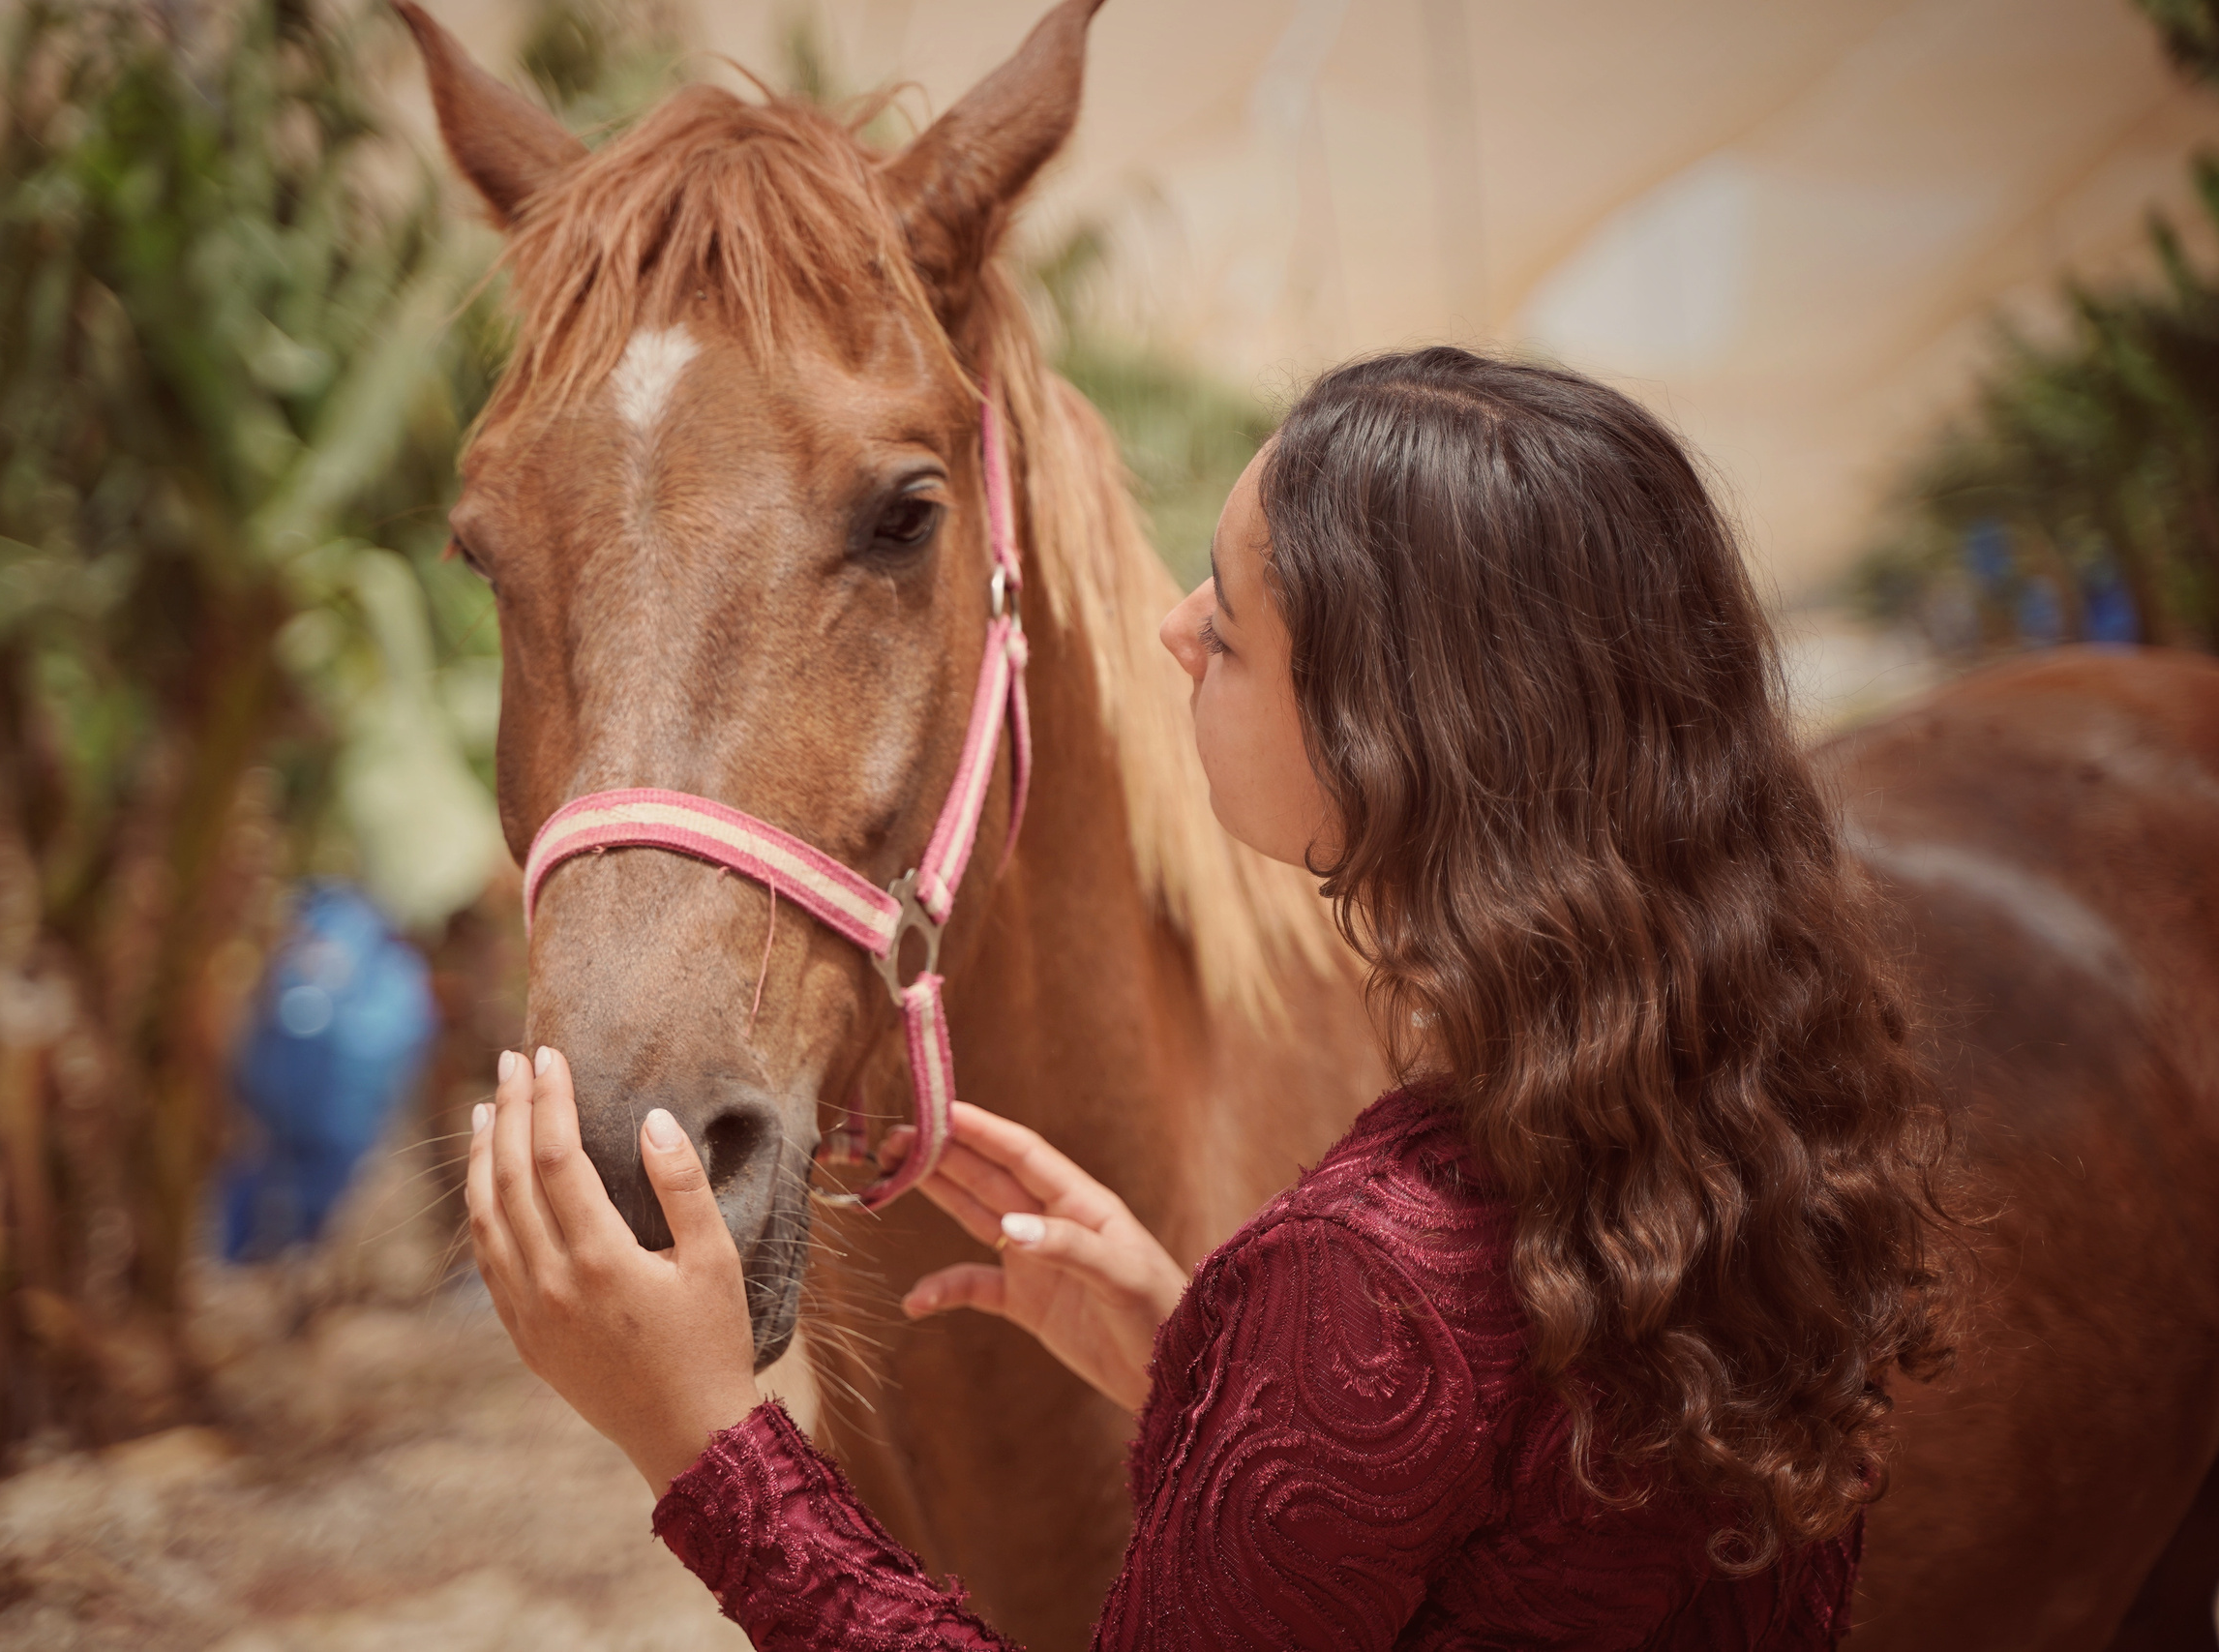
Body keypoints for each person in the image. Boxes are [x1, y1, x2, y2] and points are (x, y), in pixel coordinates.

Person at [461, 346, 1955, 1648]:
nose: (1172, 630)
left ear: (1394, 729)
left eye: (1228, 620)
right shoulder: (1732, 1150)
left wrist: (709, 1448)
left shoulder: (1365, 1280)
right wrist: (1215, 1380)